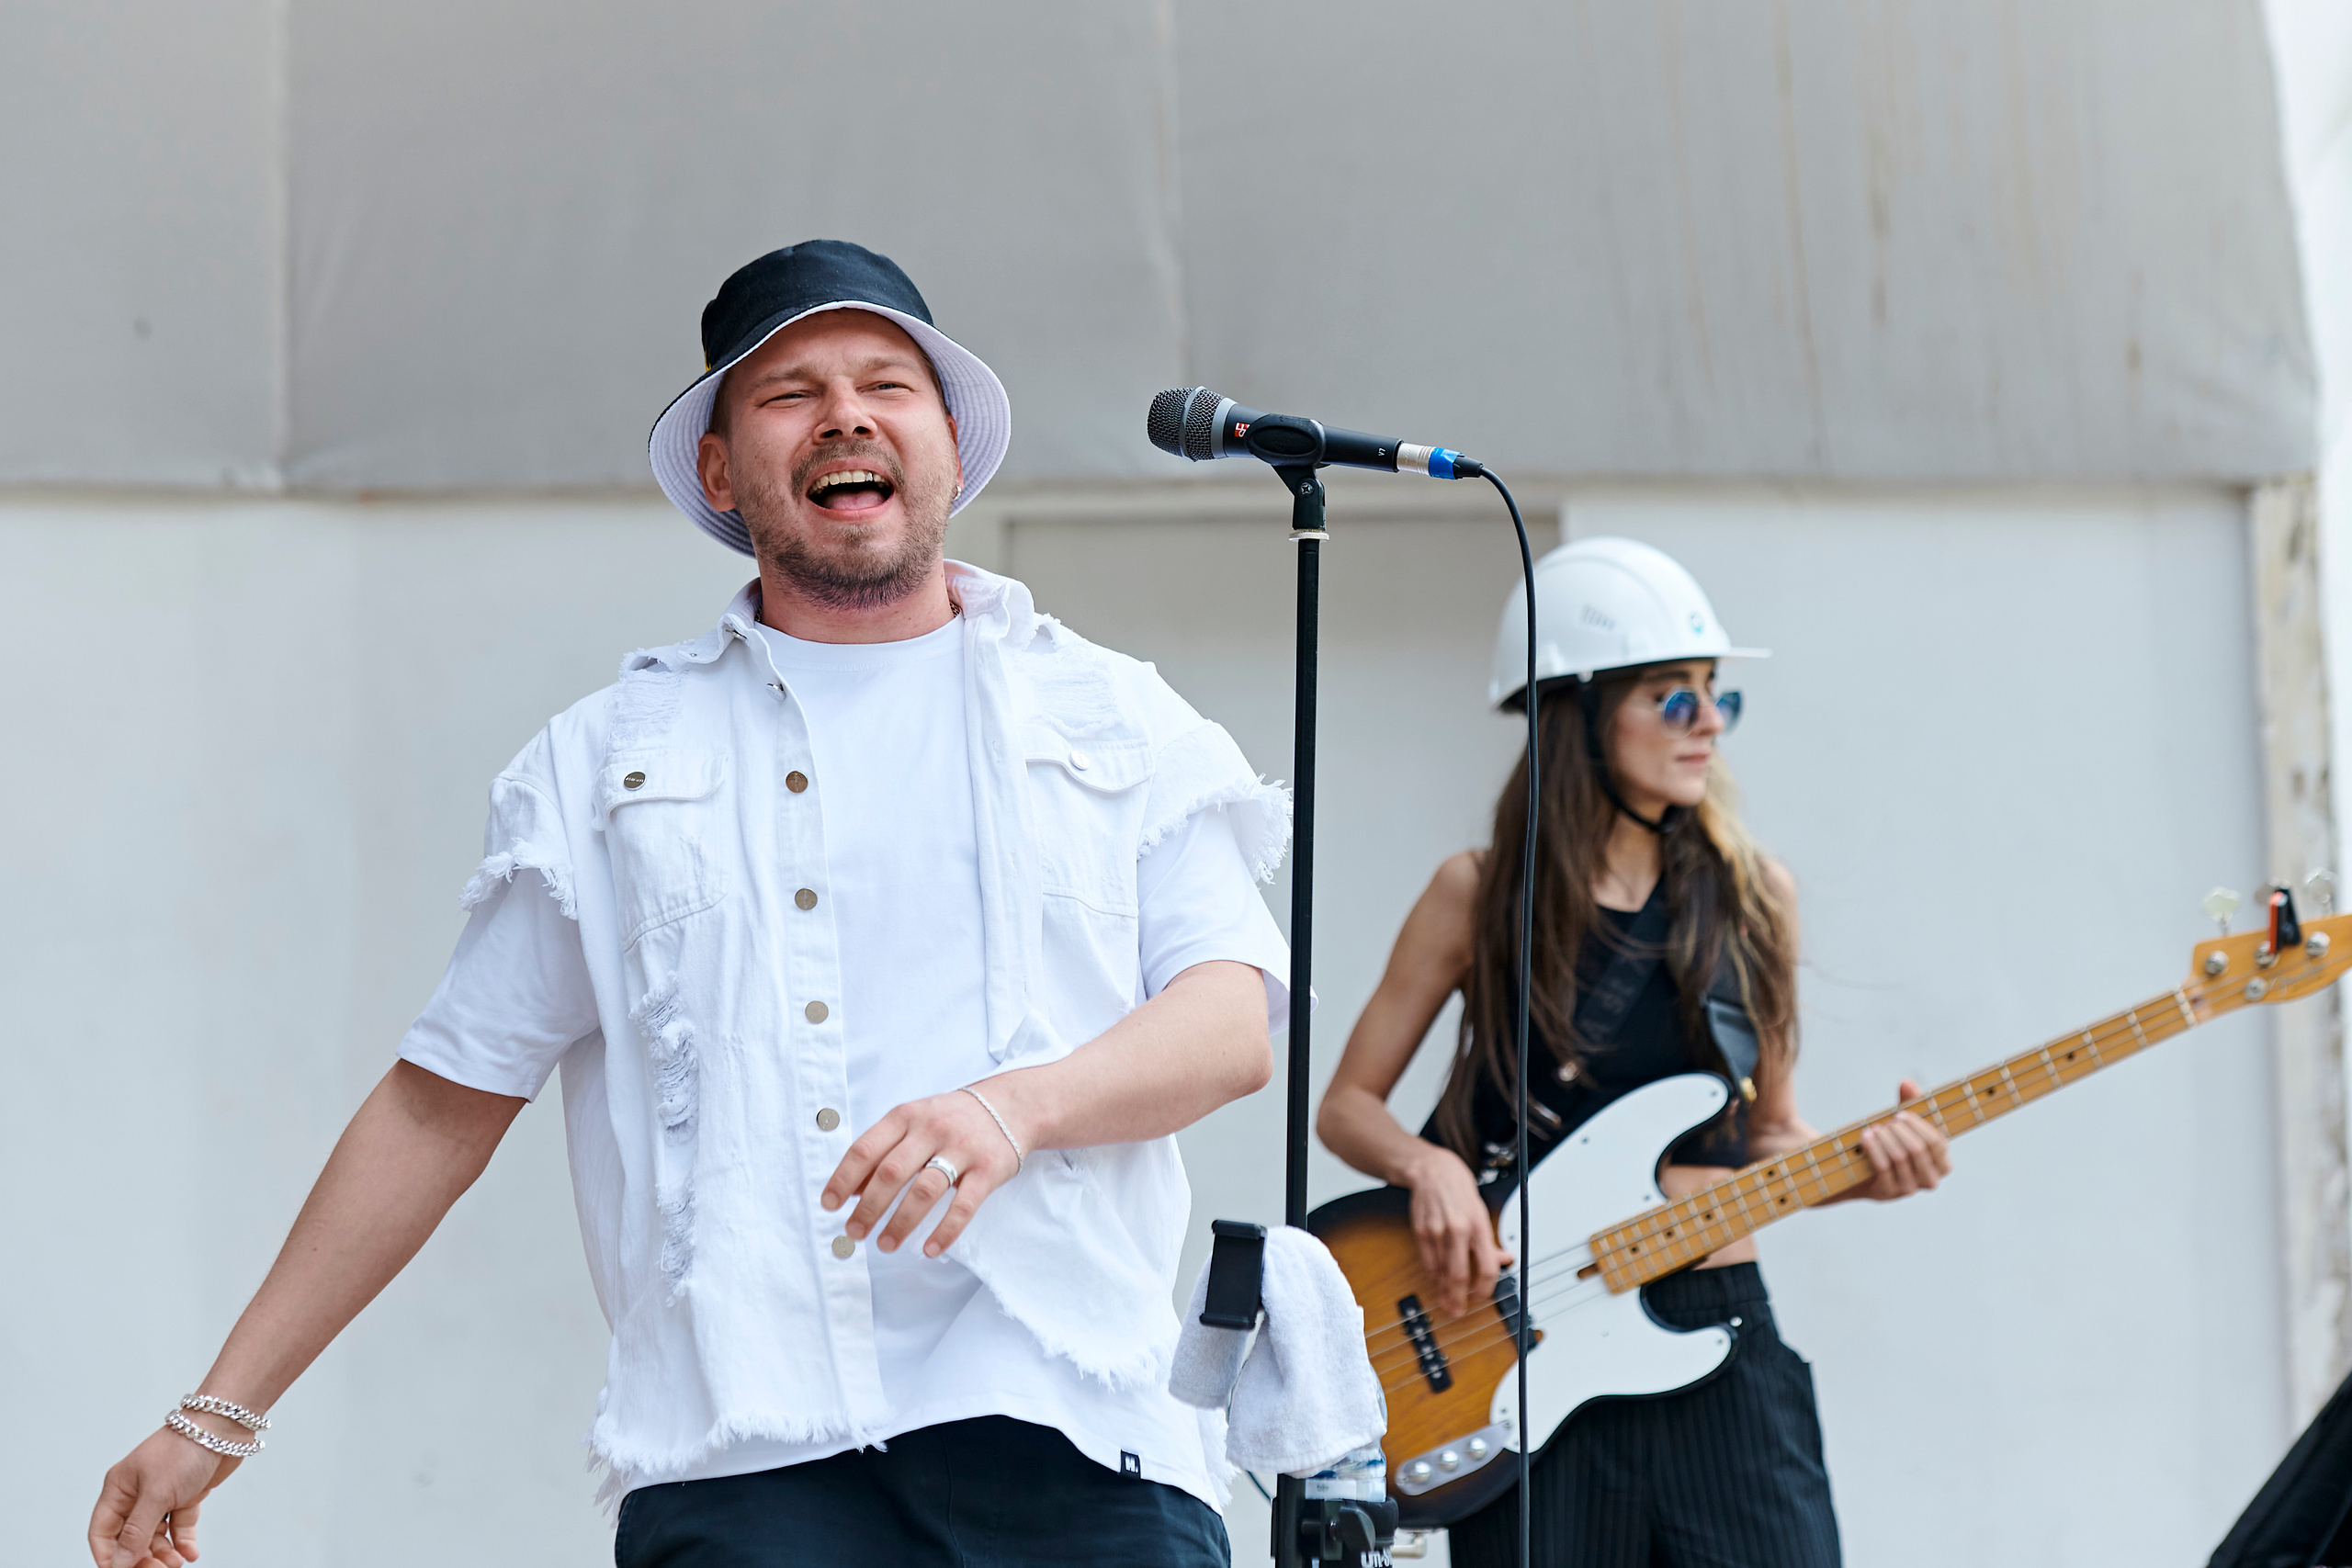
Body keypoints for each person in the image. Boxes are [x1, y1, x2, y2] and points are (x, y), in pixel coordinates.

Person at [89, 240, 1295, 1568]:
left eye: (888, 383)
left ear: (948, 441)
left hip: (1080, 1439)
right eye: (788, 392)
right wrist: (221, 1409)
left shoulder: (1113, 712)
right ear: (722, 471)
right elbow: (440, 1101)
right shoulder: (604, 762)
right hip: (745, 1456)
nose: (845, 413)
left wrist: (1014, 1107)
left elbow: (1228, 1020)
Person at [1314, 536, 1952, 1568]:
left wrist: (1869, 1173)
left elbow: (1774, 1132)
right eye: (1672, 698)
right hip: (1519, 1346)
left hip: (1718, 1328)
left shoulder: (1755, 899)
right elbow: (1346, 1105)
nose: (1709, 723)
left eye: (1715, 696)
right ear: (1575, 715)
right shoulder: (1474, 895)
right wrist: (1426, 1165)